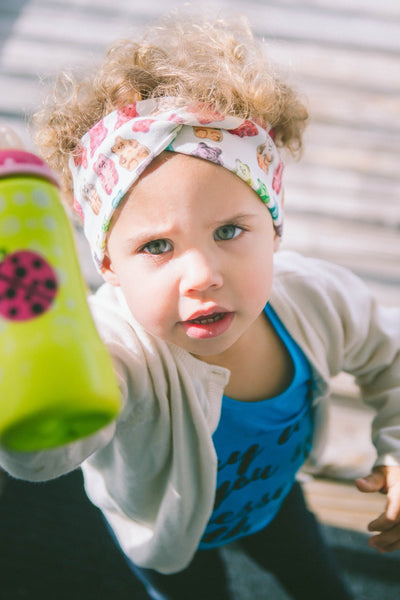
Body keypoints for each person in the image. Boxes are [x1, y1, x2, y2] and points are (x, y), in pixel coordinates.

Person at [1, 9, 400, 600]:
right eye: (157, 246)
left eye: (231, 231)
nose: (204, 275)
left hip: (275, 497)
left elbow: (389, 357)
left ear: (274, 227)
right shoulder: (115, 351)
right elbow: (44, 458)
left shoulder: (315, 298)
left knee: (316, 576)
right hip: (168, 539)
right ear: (108, 266)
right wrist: (32, 368)